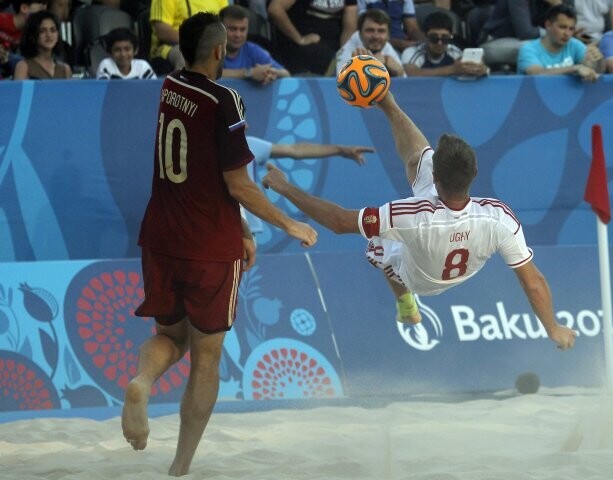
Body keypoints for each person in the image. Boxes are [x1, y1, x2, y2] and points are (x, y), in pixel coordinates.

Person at [121, 12, 317, 477]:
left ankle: (141, 381)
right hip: (209, 245)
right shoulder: (225, 100)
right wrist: (288, 224)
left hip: (161, 236)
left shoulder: (170, 86)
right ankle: (180, 467)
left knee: (170, 336)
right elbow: (239, 185)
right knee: (207, 356)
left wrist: (244, 230)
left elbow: (206, 173)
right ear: (219, 51)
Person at [262, 91, 577, 351]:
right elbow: (532, 281)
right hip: (464, 264)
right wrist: (552, 327)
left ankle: (406, 306)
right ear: (476, 173)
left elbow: (339, 222)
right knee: (418, 159)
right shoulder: (500, 216)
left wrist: (285, 187)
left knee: (376, 241)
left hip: (416, 277)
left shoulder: (409, 214)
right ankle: (385, 99)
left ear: (438, 178)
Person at [243, 135, 374, 234]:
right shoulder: (227, 149)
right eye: (240, 121)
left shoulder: (249, 144)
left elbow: (295, 150)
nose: (246, 126)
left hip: (250, 232)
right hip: (228, 229)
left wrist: (341, 150)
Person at [267, 0, 358, 75]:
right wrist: (299, 39)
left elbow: (349, 28)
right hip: (300, 49)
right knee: (321, 54)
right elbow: (275, 10)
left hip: (334, 48)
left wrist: (344, 54)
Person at [517, 4, 604, 81]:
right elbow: (536, 73)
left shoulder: (574, 44)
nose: (567, 33)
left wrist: (598, 60)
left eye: (571, 29)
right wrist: (575, 68)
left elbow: (597, 71)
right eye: (562, 27)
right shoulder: (529, 49)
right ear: (548, 25)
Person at [149, 0, 228, 71]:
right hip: (172, 46)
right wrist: (199, 43)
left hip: (209, 44)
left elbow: (226, 24)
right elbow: (162, 32)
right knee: (185, 58)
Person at [219, 4, 290, 84]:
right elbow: (206, 74)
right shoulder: (210, 49)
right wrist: (249, 73)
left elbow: (286, 74)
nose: (238, 35)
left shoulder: (251, 49)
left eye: (242, 30)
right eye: (233, 29)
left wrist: (271, 72)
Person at [402, 10, 487, 76]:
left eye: (445, 38)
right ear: (425, 37)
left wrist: (477, 69)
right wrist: (452, 69)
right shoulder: (412, 52)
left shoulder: (453, 51)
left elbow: (463, 68)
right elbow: (410, 74)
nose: (439, 43)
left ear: (450, 36)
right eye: (434, 38)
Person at [336, 9, 406, 76]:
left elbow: (404, 81)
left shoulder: (386, 45)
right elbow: (342, 83)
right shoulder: (348, 50)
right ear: (359, 33)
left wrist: (399, 72)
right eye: (370, 30)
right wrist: (373, 66)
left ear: (388, 35)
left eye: (381, 31)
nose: (376, 36)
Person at [13, 9, 71, 79]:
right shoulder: (23, 67)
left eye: (53, 30)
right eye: (42, 31)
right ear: (32, 36)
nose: (49, 35)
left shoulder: (65, 69)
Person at [357, 0, 423, 51]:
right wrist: (400, 44)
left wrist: (423, 43)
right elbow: (364, 30)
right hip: (375, 43)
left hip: (404, 44)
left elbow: (412, 28)